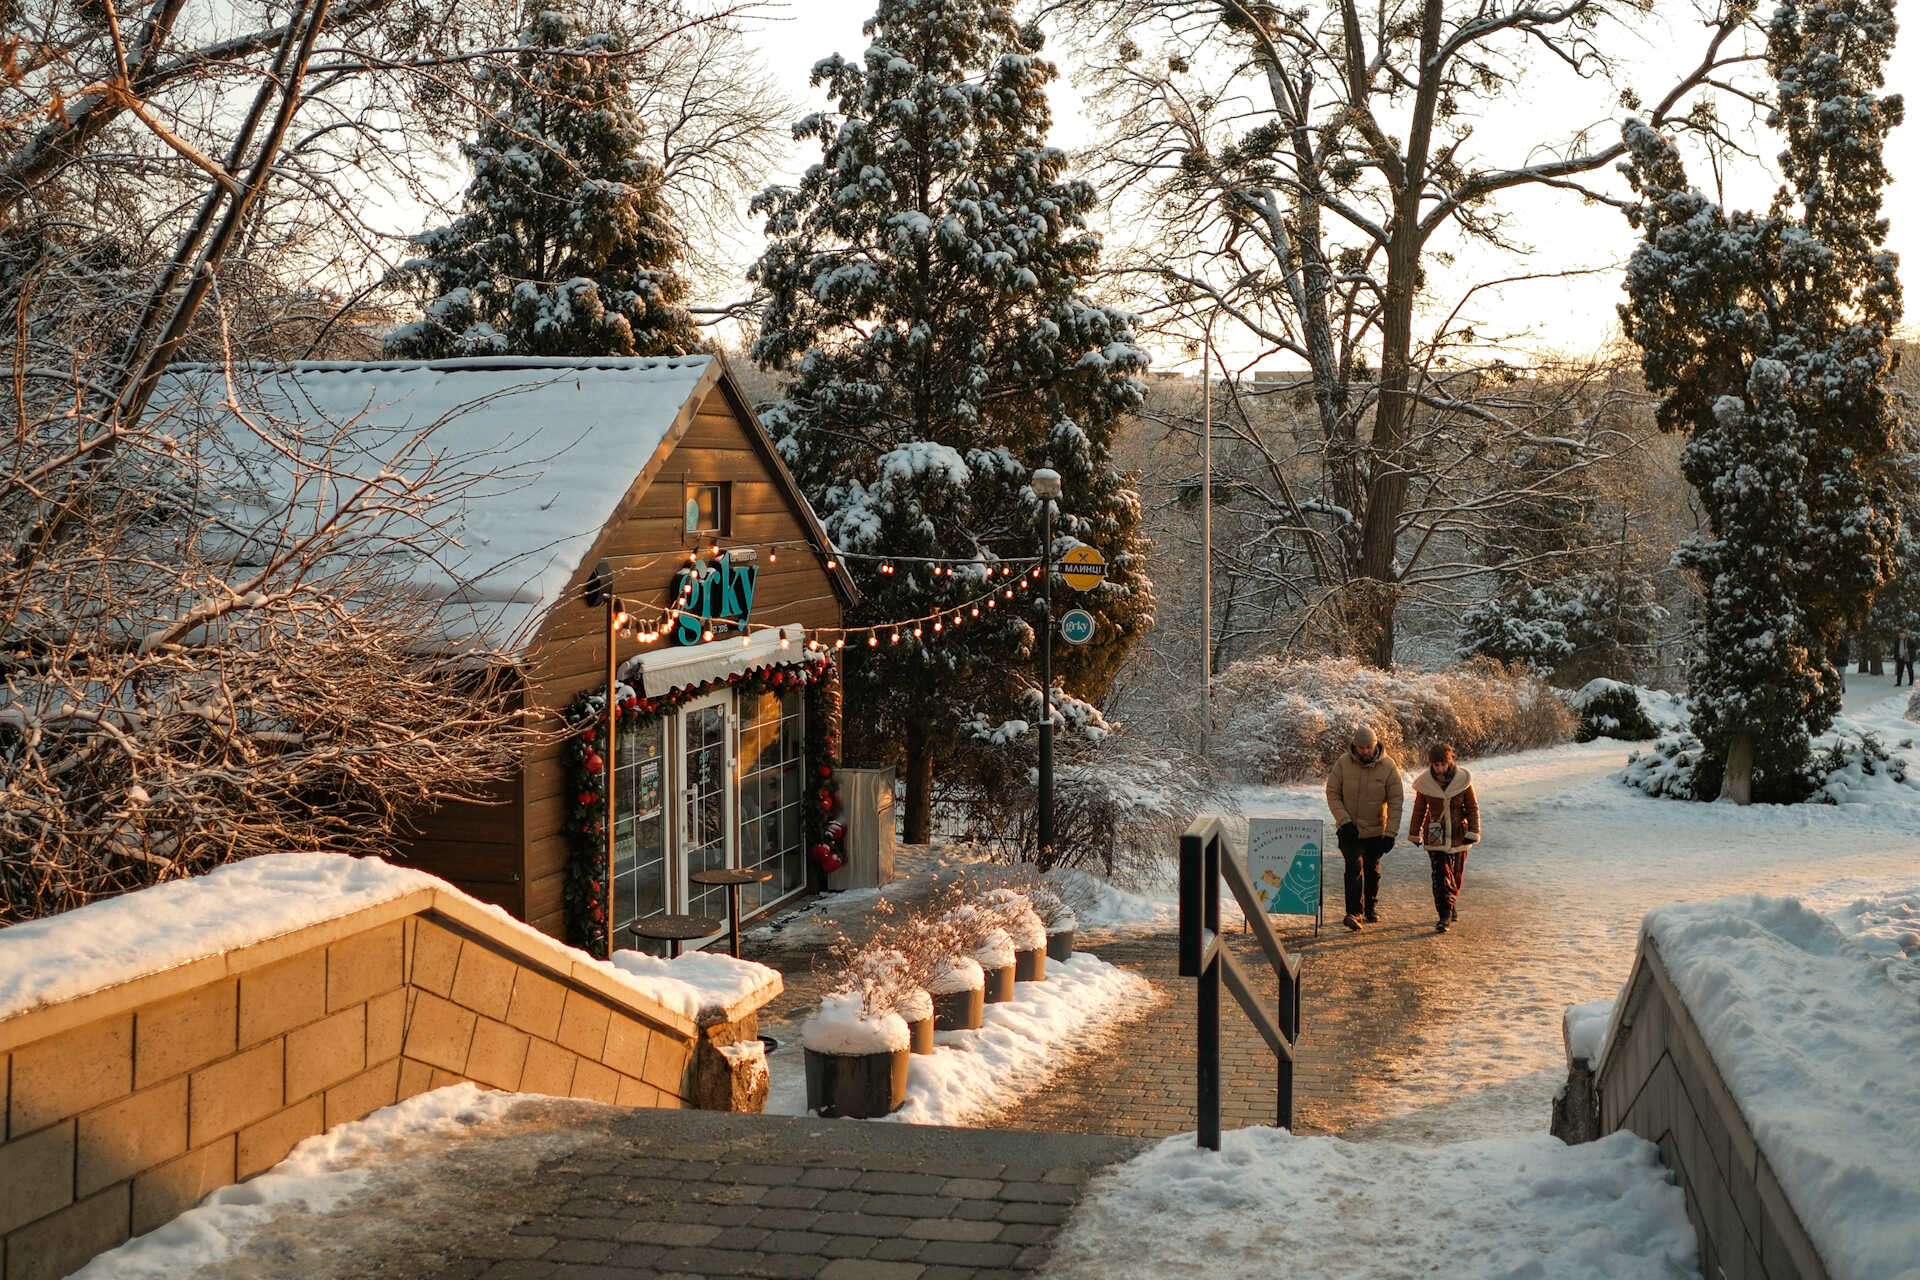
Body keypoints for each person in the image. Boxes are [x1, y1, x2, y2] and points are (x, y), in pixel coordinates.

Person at [1324, 725, 1404, 931]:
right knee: (1353, 868)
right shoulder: (1343, 764)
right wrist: (1344, 820)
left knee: (1372, 868)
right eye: (1361, 747)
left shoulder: (1388, 766)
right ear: (1355, 746)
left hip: (1377, 830)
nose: (1365, 751)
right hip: (1350, 829)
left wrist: (1391, 833)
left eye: (1369, 747)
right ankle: (1354, 912)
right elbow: (1332, 792)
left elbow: (1396, 801)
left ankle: (1370, 907)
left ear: (1375, 745)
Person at [1408, 742, 1480, 934]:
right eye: (1435, 765)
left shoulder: (1463, 781)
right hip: (1435, 836)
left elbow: (1472, 808)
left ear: (1450, 762)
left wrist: (1473, 832)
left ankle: (1451, 902)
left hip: (1459, 835)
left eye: (1442, 764)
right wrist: (1415, 832)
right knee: (1440, 875)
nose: (1439, 768)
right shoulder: (1425, 784)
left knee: (1455, 875)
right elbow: (1419, 809)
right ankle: (1444, 914)